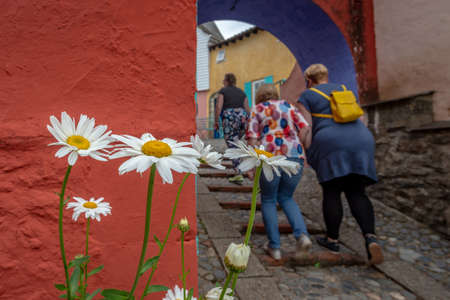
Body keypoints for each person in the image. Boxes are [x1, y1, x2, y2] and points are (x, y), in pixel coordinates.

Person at [296, 64, 383, 265]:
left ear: (309, 80)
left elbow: (306, 127)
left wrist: (307, 152)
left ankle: (332, 239)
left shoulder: (307, 95)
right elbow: (360, 117)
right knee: (357, 192)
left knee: (332, 190)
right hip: (361, 139)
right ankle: (371, 239)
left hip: (331, 143)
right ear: (326, 76)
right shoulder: (345, 90)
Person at [246, 83, 312, 260]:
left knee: (268, 199)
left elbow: (252, 138)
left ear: (259, 96)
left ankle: (274, 247)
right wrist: (301, 145)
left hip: (270, 157)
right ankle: (302, 235)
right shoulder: (289, 106)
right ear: (276, 95)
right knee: (286, 197)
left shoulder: (257, 109)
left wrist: (252, 165)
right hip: (294, 155)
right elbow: (305, 127)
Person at [215, 73, 251, 184]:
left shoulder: (223, 91)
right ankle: (239, 169)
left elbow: (218, 106)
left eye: (223, 80)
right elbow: (247, 109)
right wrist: (249, 123)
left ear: (226, 81)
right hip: (242, 117)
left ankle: (238, 172)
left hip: (230, 117)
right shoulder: (242, 92)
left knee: (231, 144)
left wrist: (216, 121)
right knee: (236, 143)